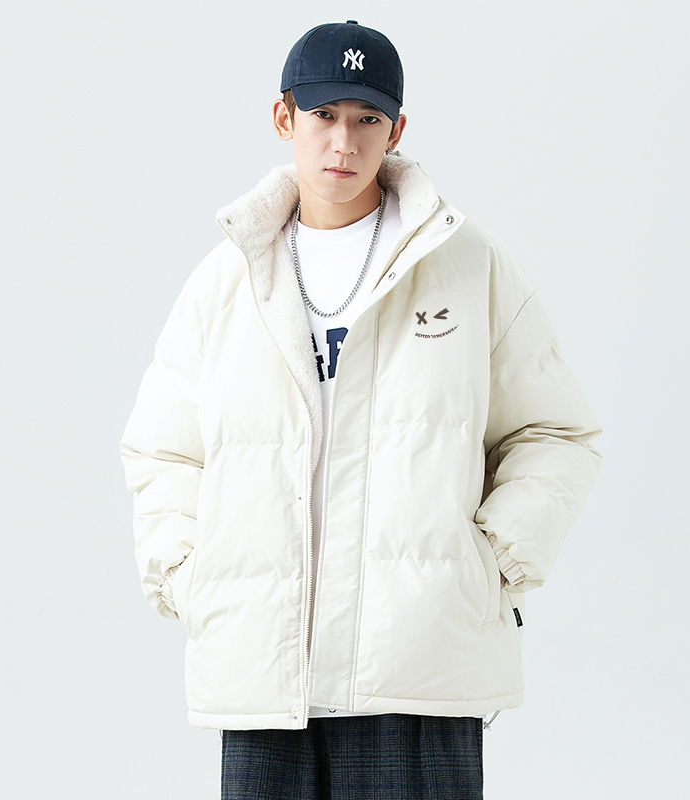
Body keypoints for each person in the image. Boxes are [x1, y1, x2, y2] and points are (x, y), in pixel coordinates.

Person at [120, 20, 602, 799]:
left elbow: (554, 431)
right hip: (265, 674)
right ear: (284, 118)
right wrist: (190, 576)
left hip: (418, 670)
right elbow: (163, 450)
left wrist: (491, 565)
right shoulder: (225, 281)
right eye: (324, 115)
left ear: (396, 130)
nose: (343, 141)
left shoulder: (467, 265)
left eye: (367, 118)